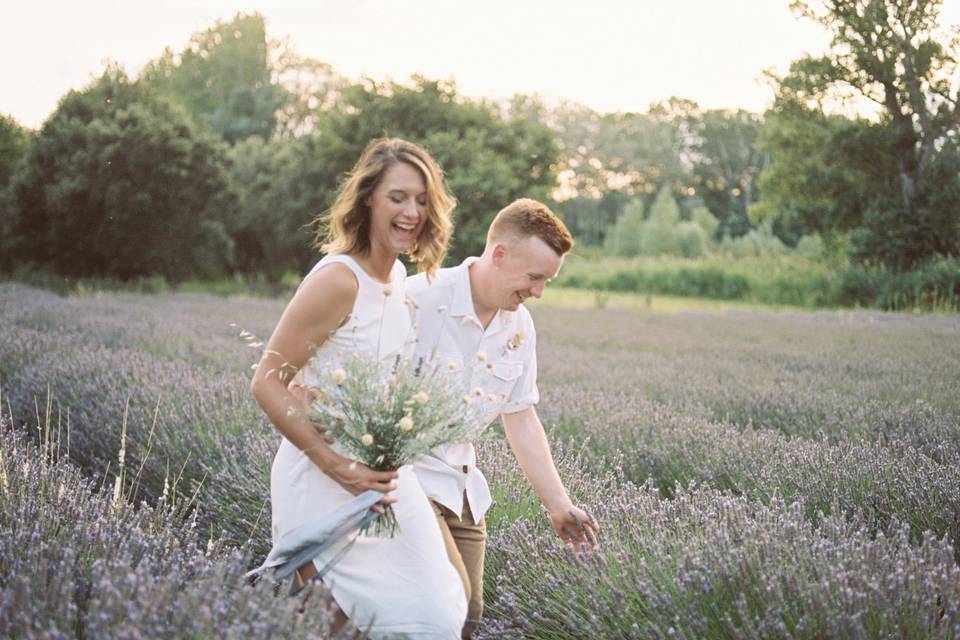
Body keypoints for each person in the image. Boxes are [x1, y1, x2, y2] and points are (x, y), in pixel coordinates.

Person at [250, 138, 468, 638]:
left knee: (434, 609)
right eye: (398, 197)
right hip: (322, 475)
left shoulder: (396, 275)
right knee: (332, 617)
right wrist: (336, 463)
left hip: (383, 475)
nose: (411, 211)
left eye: (421, 200)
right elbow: (266, 382)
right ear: (368, 198)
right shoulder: (338, 279)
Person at [407, 198, 599, 639]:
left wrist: (558, 505)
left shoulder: (519, 326)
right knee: (438, 609)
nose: (538, 292)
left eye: (547, 281)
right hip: (403, 481)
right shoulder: (419, 300)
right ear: (499, 255)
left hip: (461, 487)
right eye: (534, 278)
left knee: (469, 614)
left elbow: (521, 418)